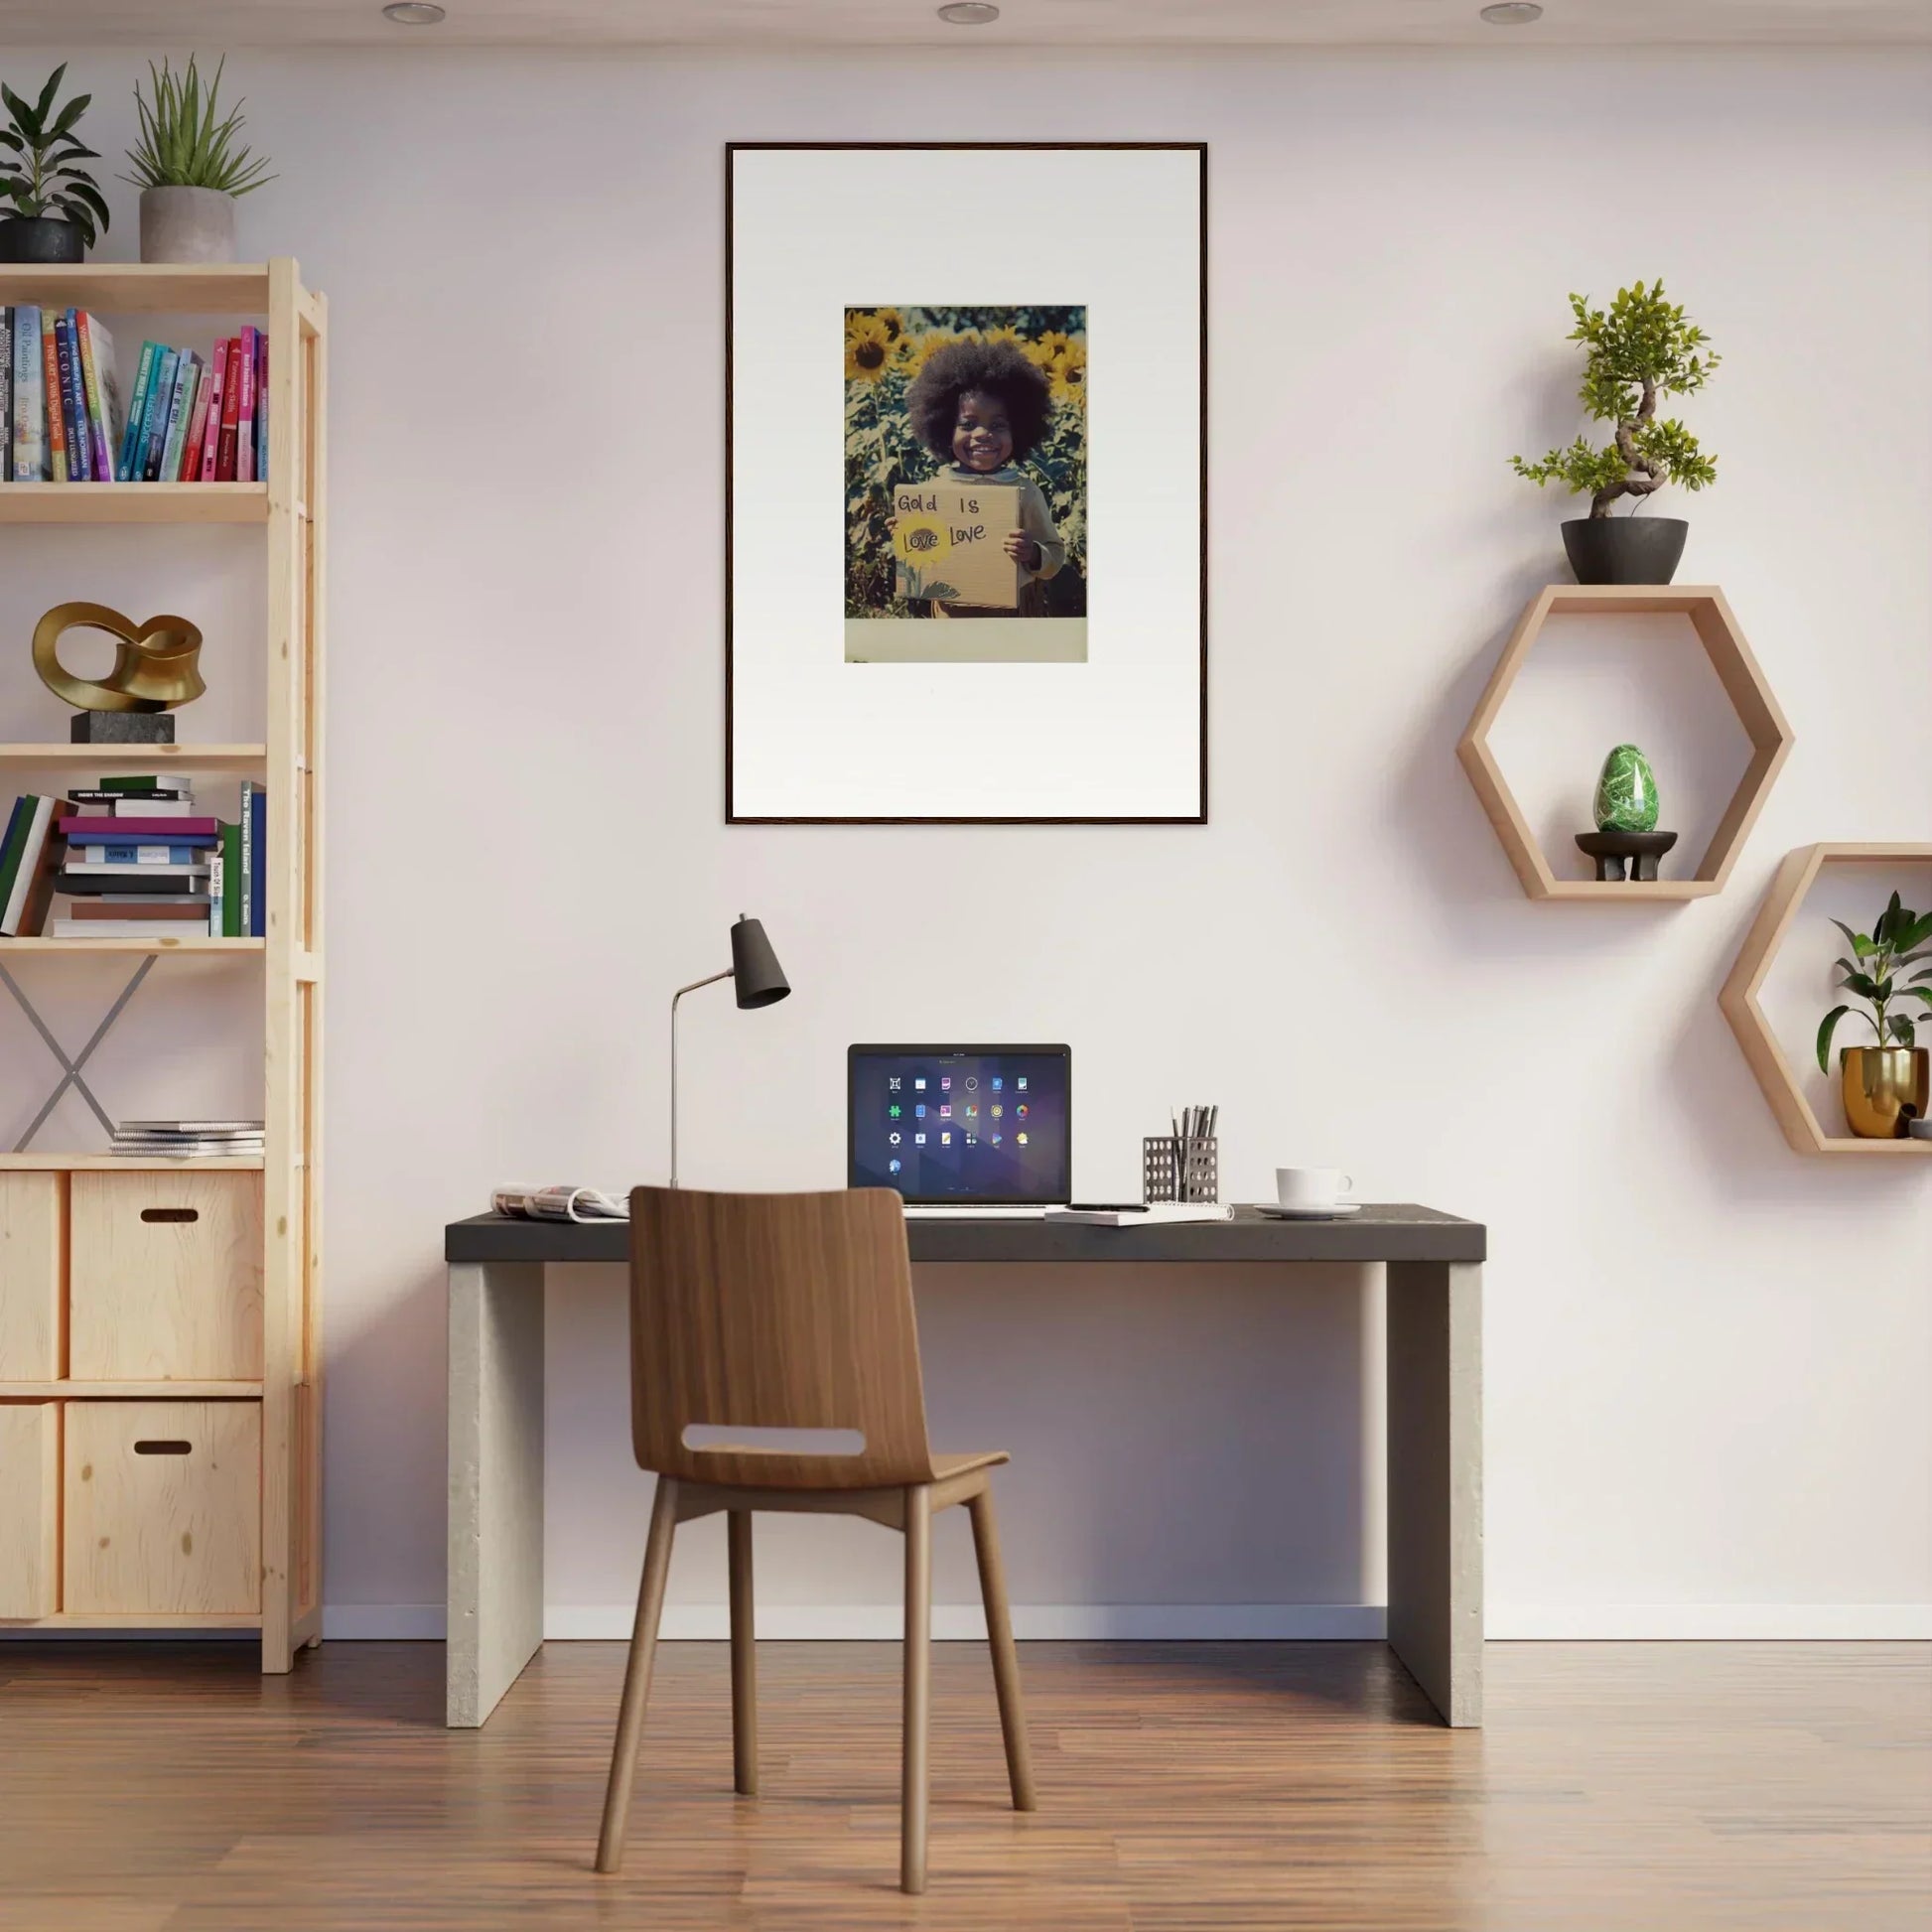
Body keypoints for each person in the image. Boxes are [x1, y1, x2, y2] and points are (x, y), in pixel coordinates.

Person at [900, 339, 1066, 619]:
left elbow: (1055, 554)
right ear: (943, 427)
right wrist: (905, 532)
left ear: (1019, 430)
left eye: (998, 425)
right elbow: (922, 552)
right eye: (967, 424)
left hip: (1011, 612)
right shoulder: (934, 492)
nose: (982, 434)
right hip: (950, 611)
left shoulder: (1024, 491)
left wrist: (1033, 553)